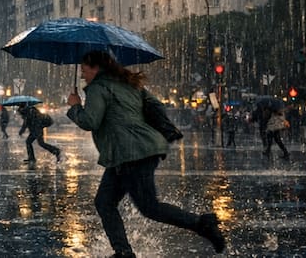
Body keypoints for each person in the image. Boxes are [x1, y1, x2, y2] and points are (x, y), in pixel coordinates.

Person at [66, 50, 226, 257]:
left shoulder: (98, 87)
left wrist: (76, 106)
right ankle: (123, 252)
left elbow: (90, 121)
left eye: (84, 70)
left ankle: (202, 224)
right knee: (104, 202)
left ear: (96, 68)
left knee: (149, 207)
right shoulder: (128, 83)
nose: (82, 75)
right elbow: (155, 105)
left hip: (131, 153)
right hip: (129, 153)